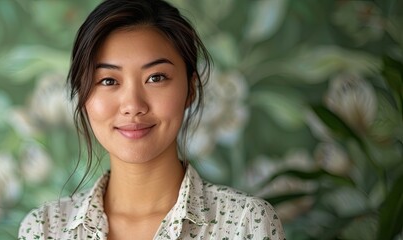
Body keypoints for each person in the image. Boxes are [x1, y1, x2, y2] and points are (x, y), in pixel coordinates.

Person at [18, 0, 286, 239]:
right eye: (109, 80)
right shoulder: (44, 230)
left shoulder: (246, 223)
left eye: (156, 78)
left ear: (190, 88)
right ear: (84, 96)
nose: (133, 105)